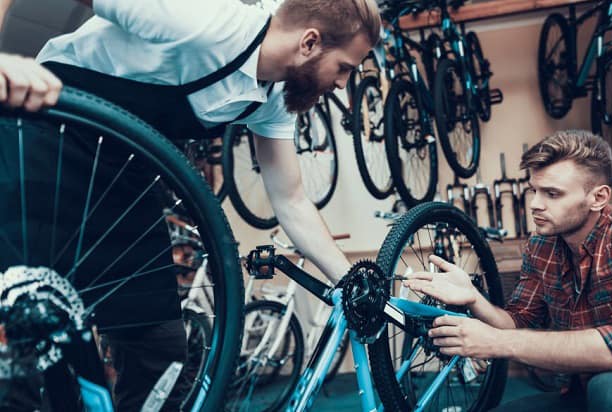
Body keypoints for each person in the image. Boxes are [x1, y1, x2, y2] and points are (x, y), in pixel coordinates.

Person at [0, 0, 381, 410]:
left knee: (159, 347)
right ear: (309, 42)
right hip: (44, 138)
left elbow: (290, 200)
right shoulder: (203, 21)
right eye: (344, 67)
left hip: (126, 170)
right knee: (22, 338)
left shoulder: (273, 98)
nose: (343, 84)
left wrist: (352, 279)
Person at [404, 130, 612, 411]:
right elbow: (519, 324)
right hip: (583, 394)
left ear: (598, 198)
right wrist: (473, 299)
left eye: (552, 194)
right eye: (534, 190)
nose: (535, 204)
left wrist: (496, 342)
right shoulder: (543, 245)